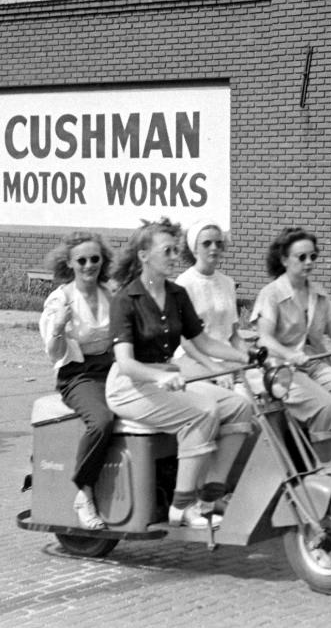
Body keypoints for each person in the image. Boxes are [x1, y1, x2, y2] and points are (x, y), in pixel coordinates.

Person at [105, 218, 254, 529]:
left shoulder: (176, 294)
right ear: (144, 255)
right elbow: (125, 363)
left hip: (167, 380)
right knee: (203, 411)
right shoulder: (126, 299)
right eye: (168, 251)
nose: (175, 257)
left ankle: (210, 495)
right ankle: (180, 507)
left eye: (175, 250)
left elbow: (203, 341)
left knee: (239, 406)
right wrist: (159, 376)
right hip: (131, 386)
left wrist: (246, 355)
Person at [251, 227, 331, 476]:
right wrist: (289, 354)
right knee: (325, 405)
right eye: (302, 257)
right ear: (284, 259)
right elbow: (265, 339)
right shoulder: (271, 294)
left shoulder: (318, 293)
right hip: (282, 371)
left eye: (313, 257)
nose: (308, 263)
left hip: (315, 364)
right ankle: (321, 473)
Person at [39, 232, 117, 530]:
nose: (89, 266)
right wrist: (59, 326)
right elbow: (54, 353)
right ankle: (83, 493)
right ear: (69, 263)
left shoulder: (109, 293)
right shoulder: (61, 299)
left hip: (111, 369)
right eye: (81, 260)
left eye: (94, 259)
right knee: (101, 421)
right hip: (78, 374)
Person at [172, 219, 243, 386]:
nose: (214, 248)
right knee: (225, 400)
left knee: (259, 394)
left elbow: (233, 335)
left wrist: (252, 357)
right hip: (193, 359)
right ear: (194, 248)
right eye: (206, 243)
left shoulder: (228, 283)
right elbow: (184, 341)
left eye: (218, 243)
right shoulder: (183, 284)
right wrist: (215, 369)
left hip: (226, 357)